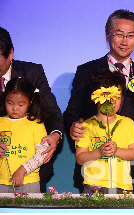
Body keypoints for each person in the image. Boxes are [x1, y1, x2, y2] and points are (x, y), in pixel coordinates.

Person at [64, 9, 134, 194]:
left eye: (131, 36)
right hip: (94, 167)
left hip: (130, 167)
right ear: (108, 36)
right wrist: (73, 125)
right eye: (119, 35)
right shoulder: (86, 71)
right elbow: (72, 111)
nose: (125, 41)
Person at [0, 27, 64, 193]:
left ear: (10, 53)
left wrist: (55, 135)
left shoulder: (33, 72)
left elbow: (52, 113)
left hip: (29, 177)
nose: (15, 108)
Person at [75, 71, 134, 194]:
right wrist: (99, 152)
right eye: (107, 96)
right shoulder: (86, 125)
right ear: (96, 97)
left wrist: (116, 150)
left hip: (122, 186)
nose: (113, 101)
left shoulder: (127, 123)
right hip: (93, 185)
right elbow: (80, 158)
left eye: (117, 96)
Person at [0, 77, 49, 193]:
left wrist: (23, 169)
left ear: (30, 102)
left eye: (21, 105)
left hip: (28, 181)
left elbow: (43, 153)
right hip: (2, 181)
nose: (14, 108)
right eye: (10, 103)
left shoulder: (36, 125)